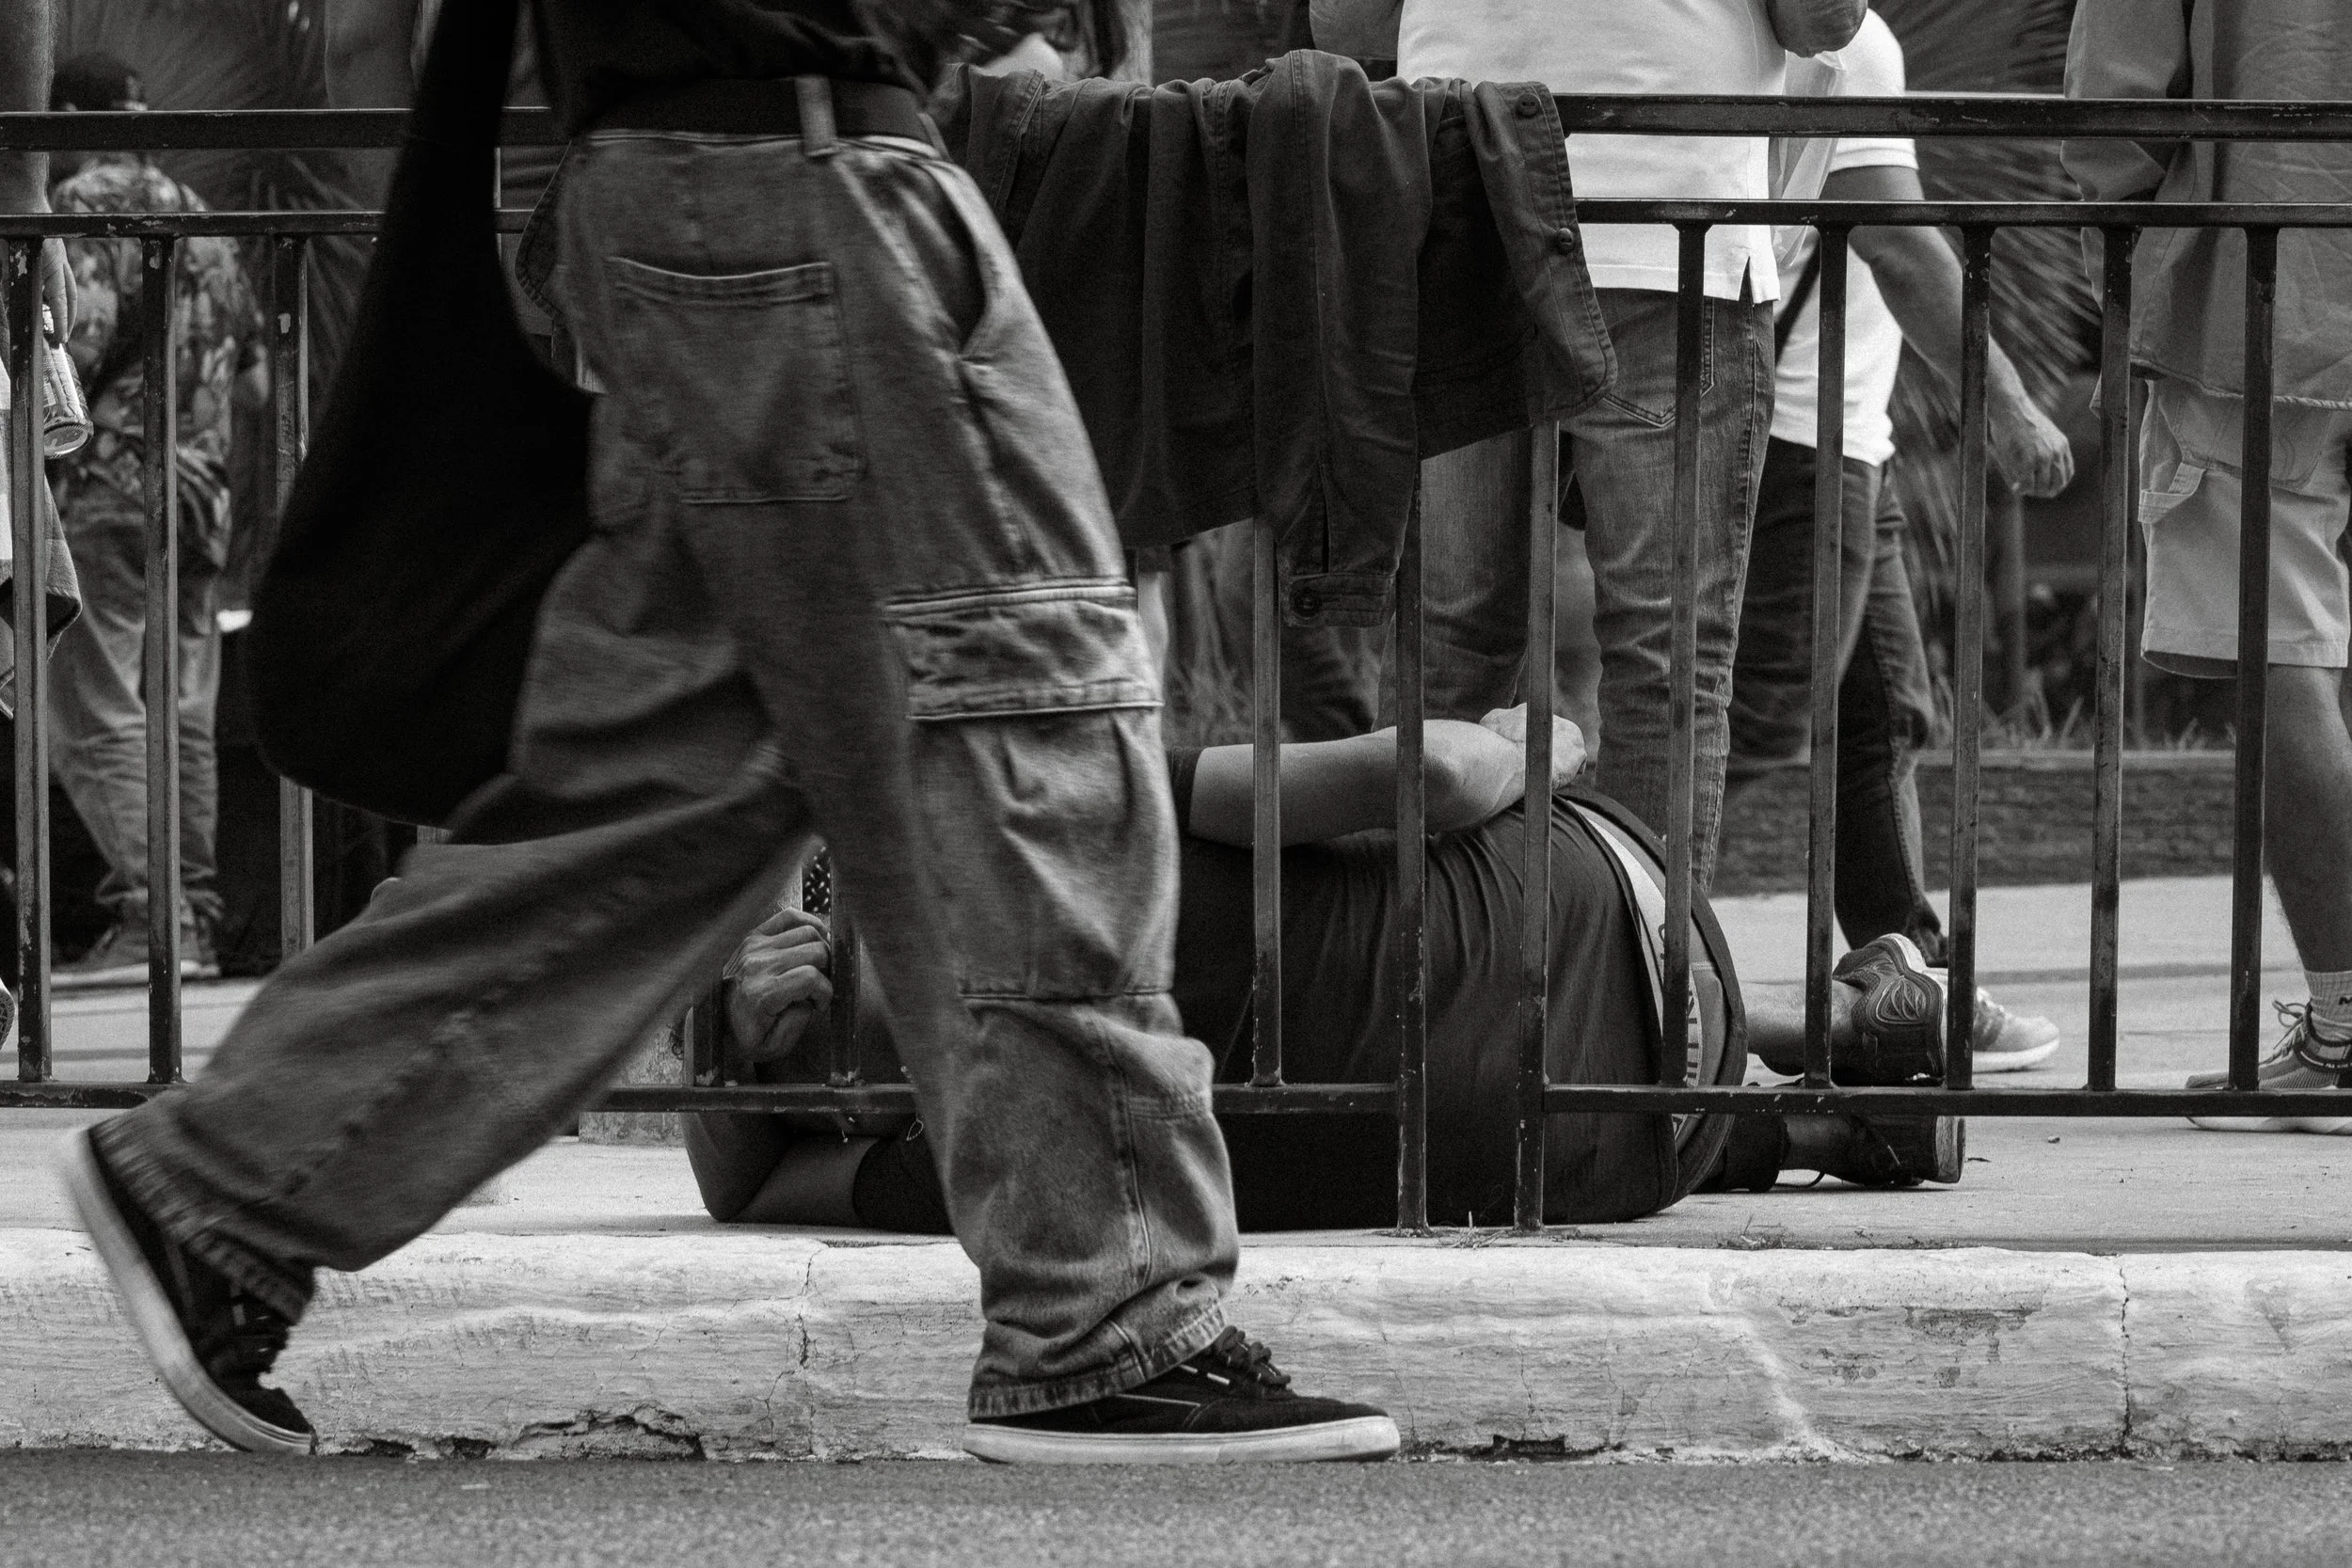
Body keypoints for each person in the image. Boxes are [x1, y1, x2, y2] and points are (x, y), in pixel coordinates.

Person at [60, 0, 1398, 1466]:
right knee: (1023, 717)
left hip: (717, 173)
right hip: (808, 169)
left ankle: (228, 1188)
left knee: (680, 787)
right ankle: (1112, 1312)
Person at [688, 706, 1965, 1237]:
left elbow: (747, 1194)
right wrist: (1546, 731)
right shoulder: (1075, 807)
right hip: (1617, 913)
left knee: (1451, 1091)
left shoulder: (979, 1164)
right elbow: (1448, 779)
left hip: (1624, 1153)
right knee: (1447, 871)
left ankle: (1816, 1117)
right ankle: (1848, 1014)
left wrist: (739, 1042)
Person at [1311, 0, 1867, 894]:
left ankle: (1430, 989)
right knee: (1664, 655)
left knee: (1450, 641)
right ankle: (1644, 987)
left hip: (1465, 211)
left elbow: (1343, 21)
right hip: (1668, 227)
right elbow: (1823, 18)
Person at [1728, 11, 2074, 1071]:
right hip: (1798, 437)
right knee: (1756, 720)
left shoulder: (1794, 41)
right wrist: (2008, 407)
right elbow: (1900, 246)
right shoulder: (1847, 48)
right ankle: (1600, 929)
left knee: (1876, 717)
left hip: (1840, 433)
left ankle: (1909, 980)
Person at [2063, 0, 2352, 1130]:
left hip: (2263, 292)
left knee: (2278, 656)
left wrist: (2124, 273)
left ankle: (2344, 1029)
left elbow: (2115, 109)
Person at [44, 55, 258, 988]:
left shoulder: (80, 204)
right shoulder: (199, 213)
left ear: (61, 114)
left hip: (108, 484)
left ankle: (150, 914)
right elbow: (253, 378)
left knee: (92, 700)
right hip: (202, 490)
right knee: (182, 703)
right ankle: (195, 918)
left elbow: (69, 352)